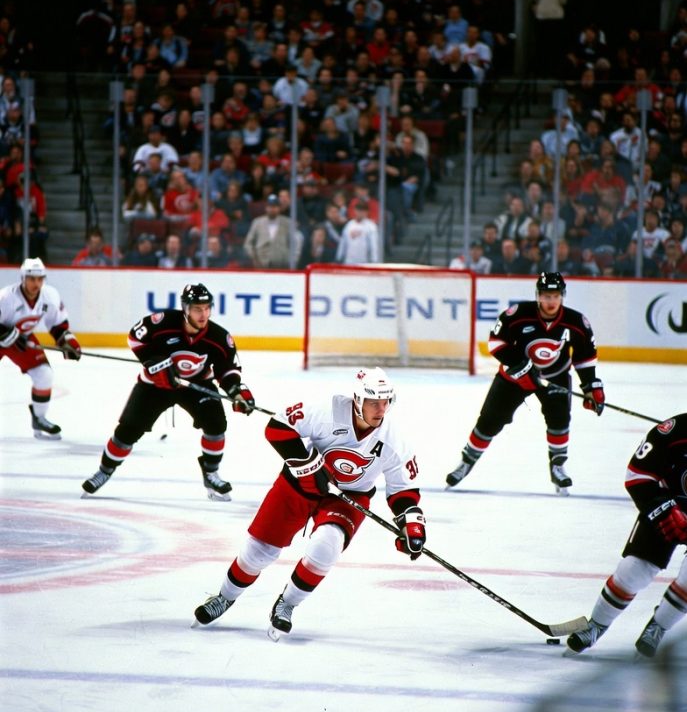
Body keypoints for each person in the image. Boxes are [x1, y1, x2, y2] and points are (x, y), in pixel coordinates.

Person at [193, 366, 426, 637]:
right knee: (259, 552)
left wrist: (411, 523)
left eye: (386, 402)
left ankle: (287, 604)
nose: (381, 410)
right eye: (374, 402)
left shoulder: (393, 439)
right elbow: (278, 428)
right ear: (358, 400)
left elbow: (404, 490)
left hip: (349, 497)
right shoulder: (328, 412)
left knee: (327, 546)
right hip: (299, 485)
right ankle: (224, 597)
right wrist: (306, 466)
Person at [81, 283, 254, 501]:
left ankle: (210, 473)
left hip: (195, 386)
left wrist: (237, 392)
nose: (203, 314)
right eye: (197, 309)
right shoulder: (163, 322)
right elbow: (135, 337)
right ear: (185, 308)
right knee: (128, 430)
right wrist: (153, 361)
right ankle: (104, 471)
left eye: (207, 308)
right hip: (155, 386)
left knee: (216, 424)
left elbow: (227, 369)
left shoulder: (219, 337)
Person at [445, 272, 604, 495]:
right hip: (514, 377)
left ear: (562, 296)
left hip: (555, 376)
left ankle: (557, 466)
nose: (551, 301)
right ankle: (466, 461)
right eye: (546, 296)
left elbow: (584, 356)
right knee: (490, 420)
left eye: (555, 296)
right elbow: (496, 343)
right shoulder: (517, 315)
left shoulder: (576, 322)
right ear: (538, 296)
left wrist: (591, 387)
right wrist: (520, 366)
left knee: (559, 419)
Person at [566, 413, 687, 659]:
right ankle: (596, 625)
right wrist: (664, 510)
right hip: (666, 507)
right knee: (634, 569)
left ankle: (658, 628)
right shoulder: (674, 430)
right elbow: (637, 476)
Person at [0, 257, 81, 439]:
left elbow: (57, 325)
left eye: (39, 279)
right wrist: (7, 334)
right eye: (31, 279)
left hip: (22, 340)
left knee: (44, 374)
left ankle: (39, 418)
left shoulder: (49, 296)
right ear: (23, 278)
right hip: (6, 340)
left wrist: (68, 344)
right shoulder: (6, 297)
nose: (36, 283)